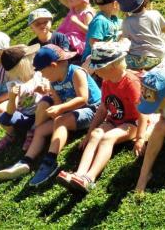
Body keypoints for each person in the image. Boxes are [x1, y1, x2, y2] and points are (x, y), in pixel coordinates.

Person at [0, 45, 101, 187]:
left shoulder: (76, 72)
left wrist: (60, 109)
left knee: (61, 120)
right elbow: (58, 103)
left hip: (92, 110)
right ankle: (26, 161)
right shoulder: (53, 80)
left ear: (53, 65)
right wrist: (56, 110)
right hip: (71, 115)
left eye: (42, 72)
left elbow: (83, 99)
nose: (42, 76)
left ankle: (50, 161)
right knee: (40, 130)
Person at [56, 43, 148, 193]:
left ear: (111, 67)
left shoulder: (130, 83)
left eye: (98, 69)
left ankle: (89, 178)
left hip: (132, 122)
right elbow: (103, 108)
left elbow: (143, 111)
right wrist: (88, 133)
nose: (96, 73)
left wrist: (140, 138)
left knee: (107, 138)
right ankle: (79, 174)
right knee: (96, 135)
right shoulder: (107, 82)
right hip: (115, 119)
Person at [0, 44, 47, 152]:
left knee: (44, 106)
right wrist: (12, 98)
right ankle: (11, 135)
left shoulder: (38, 74)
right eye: (31, 57)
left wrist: (45, 88)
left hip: (42, 112)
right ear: (23, 64)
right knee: (3, 117)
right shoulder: (15, 85)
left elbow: (49, 88)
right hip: (26, 116)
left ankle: (32, 133)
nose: (34, 57)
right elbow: (10, 112)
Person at [116, 0, 165, 71]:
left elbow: (128, 38)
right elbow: (164, 29)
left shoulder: (127, 22)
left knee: (116, 61)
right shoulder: (155, 14)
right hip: (158, 56)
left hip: (138, 60)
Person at [54, 0, 94, 64]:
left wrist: (77, 22)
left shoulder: (87, 13)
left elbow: (90, 31)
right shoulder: (73, 6)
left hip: (77, 44)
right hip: (65, 39)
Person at [81, 0, 122, 68]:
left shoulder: (113, 18)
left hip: (107, 55)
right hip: (94, 61)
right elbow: (94, 43)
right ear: (115, 4)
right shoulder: (100, 21)